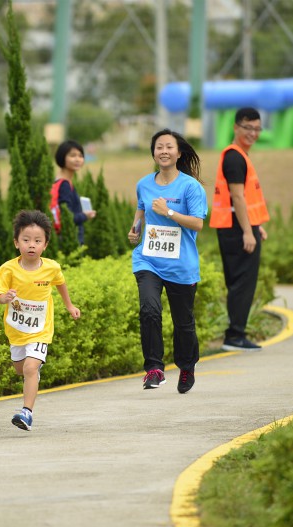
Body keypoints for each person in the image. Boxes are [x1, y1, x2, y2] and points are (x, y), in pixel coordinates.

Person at [128, 128, 208, 394]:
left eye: (169, 147)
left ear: (178, 153)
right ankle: (154, 368)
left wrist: (170, 211)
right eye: (159, 146)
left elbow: (197, 224)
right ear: (153, 152)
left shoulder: (190, 186)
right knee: (149, 310)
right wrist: (135, 230)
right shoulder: (144, 183)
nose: (163, 151)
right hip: (148, 260)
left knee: (183, 322)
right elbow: (141, 209)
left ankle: (186, 367)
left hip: (181, 264)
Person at [0, 209, 80, 431]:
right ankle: (32, 373)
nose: (31, 245)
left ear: (45, 245)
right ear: (16, 243)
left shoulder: (52, 267)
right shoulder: (8, 269)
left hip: (41, 330)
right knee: (21, 370)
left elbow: (60, 283)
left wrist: (69, 305)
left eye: (37, 241)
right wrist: (4, 297)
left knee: (30, 368)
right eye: (26, 240)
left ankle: (26, 413)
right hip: (16, 331)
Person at [209, 107, 270, 352]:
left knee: (242, 281)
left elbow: (246, 198)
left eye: (257, 129)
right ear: (236, 127)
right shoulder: (234, 157)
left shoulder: (239, 156)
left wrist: (256, 226)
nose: (252, 133)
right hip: (236, 229)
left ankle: (236, 334)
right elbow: (237, 197)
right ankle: (235, 336)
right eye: (248, 128)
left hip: (240, 226)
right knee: (241, 282)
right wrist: (247, 231)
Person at [52, 140, 96, 244]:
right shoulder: (64, 185)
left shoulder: (60, 181)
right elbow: (67, 217)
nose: (77, 159)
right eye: (72, 155)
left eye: (80, 156)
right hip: (69, 240)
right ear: (62, 157)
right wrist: (85, 215)